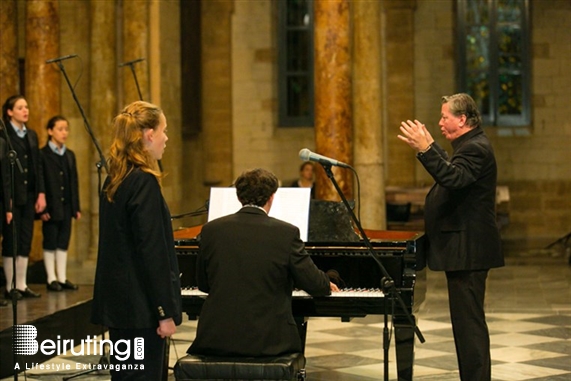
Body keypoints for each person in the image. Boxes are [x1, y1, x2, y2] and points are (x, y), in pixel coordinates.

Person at [398, 93, 504, 381]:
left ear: (462, 119)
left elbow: (454, 179)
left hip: (468, 250)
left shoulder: (476, 148)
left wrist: (427, 148)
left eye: (445, 116)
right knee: (465, 324)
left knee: (469, 325)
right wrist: (431, 149)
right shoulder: (469, 146)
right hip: (464, 250)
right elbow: (456, 174)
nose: (440, 122)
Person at [188, 168, 338, 357]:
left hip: (215, 337)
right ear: (271, 197)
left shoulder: (210, 230)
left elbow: (204, 284)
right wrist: (327, 281)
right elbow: (314, 284)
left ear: (239, 196)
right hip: (269, 341)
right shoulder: (286, 233)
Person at [91, 101, 182, 380]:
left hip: (120, 308)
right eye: (163, 130)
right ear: (148, 134)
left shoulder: (116, 179)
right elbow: (151, 253)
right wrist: (164, 312)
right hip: (143, 312)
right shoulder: (143, 182)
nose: (166, 137)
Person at [2, 95, 45, 300]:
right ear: (10, 112)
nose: (25, 110)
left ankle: (22, 283)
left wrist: (41, 193)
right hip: (12, 196)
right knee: (12, 240)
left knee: (26, 239)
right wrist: (7, 200)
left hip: (29, 194)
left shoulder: (32, 135)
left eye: (26, 107)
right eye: (20, 108)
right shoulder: (5, 135)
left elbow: (37, 166)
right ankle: (10, 286)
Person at [40, 116, 81, 292]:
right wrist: (43, 207)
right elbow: (41, 181)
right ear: (50, 131)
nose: (64, 132)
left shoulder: (69, 154)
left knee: (63, 240)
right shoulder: (43, 154)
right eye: (60, 129)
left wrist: (76, 206)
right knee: (50, 239)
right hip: (50, 204)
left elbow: (74, 181)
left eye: (66, 129)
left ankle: (62, 277)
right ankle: (51, 278)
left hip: (66, 205)